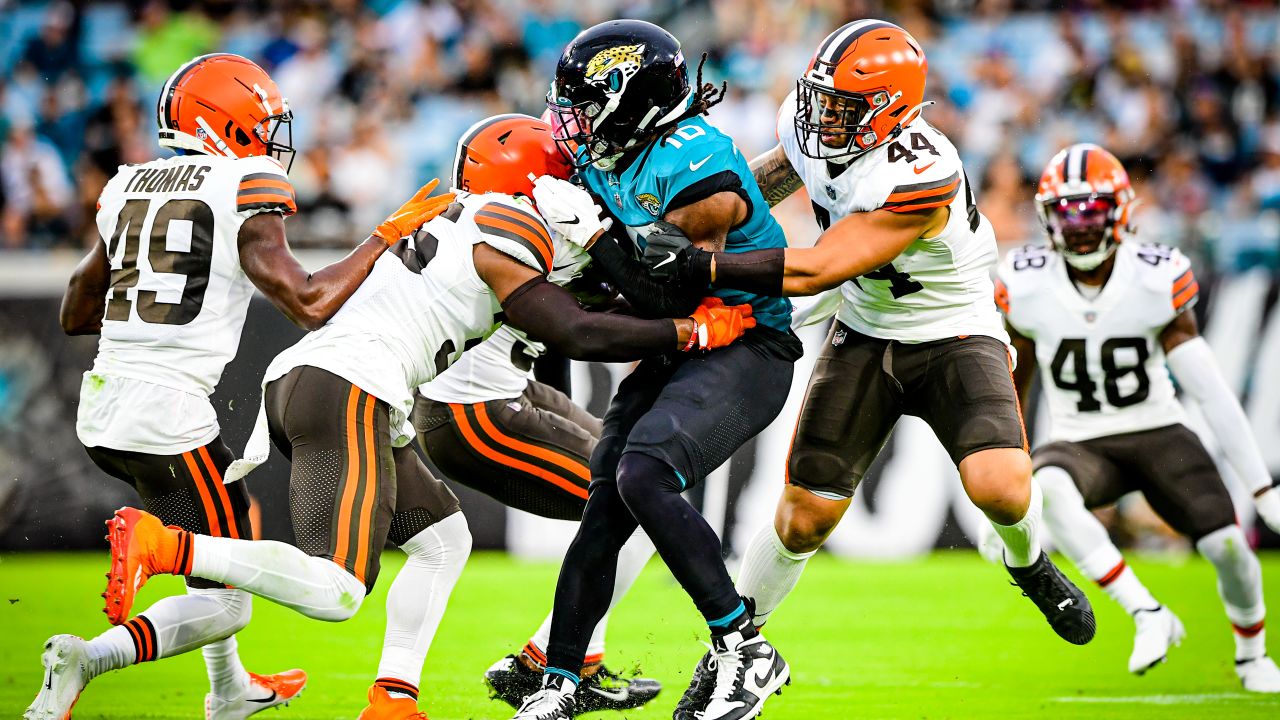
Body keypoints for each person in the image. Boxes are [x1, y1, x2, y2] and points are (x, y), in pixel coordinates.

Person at [100, 113, 755, 720]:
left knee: (445, 540)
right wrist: (688, 332)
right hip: (349, 384)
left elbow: (597, 303)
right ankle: (171, 547)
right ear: (535, 185)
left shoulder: (459, 219)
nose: (578, 183)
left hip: (346, 383)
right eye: (562, 173)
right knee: (338, 592)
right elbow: (580, 330)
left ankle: (395, 696)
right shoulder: (511, 229)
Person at [640, 20, 1097, 714]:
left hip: (951, 327)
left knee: (1000, 487)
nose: (825, 118)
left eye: (844, 108)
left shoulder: (922, 169)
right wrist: (696, 219)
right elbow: (761, 184)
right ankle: (733, 655)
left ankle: (1028, 563)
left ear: (891, 108)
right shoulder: (818, 129)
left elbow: (820, 266)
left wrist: (706, 263)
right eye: (823, 101)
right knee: (801, 520)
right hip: (865, 324)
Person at [26, 52, 455, 720]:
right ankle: (86, 658)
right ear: (223, 121)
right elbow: (309, 303)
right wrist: (383, 238)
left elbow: (75, 313)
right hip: (166, 412)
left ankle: (229, 690)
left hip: (105, 404)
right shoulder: (240, 181)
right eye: (260, 124)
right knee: (226, 595)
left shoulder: (130, 184)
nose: (269, 141)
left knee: (228, 541)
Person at [512, 19, 801, 720]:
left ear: (630, 99)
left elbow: (667, 289)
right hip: (681, 341)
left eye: (584, 101)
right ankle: (560, 682)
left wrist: (600, 238)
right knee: (606, 502)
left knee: (644, 473)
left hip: (745, 342)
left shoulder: (693, 164)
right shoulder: (610, 156)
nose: (569, 118)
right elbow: (635, 293)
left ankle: (743, 649)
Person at [988, 143, 1280, 691]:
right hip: (1080, 439)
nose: (1077, 226)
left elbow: (1211, 390)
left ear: (1120, 211)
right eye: (1066, 212)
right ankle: (1147, 612)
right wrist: (1005, 494)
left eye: (1090, 211)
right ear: (1047, 217)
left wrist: (1261, 490)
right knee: (1046, 486)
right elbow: (1011, 392)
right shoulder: (1026, 283)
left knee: (1228, 547)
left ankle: (1252, 657)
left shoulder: (1154, 276)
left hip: (1157, 430)